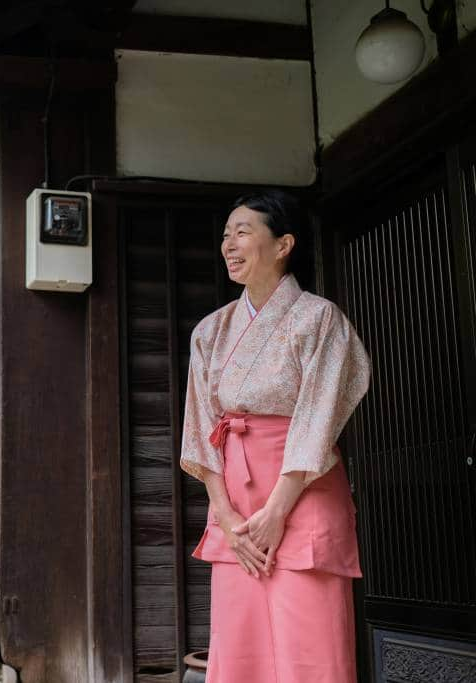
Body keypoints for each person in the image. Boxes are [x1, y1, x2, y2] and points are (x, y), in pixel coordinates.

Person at [180, 189, 371, 682]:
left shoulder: (318, 318)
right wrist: (224, 515)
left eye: (242, 232)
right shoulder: (210, 331)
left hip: (301, 489)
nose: (229, 244)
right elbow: (202, 428)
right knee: (240, 641)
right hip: (237, 505)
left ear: (284, 244)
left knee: (312, 639)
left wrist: (278, 510)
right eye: (225, 235)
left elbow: (318, 417)